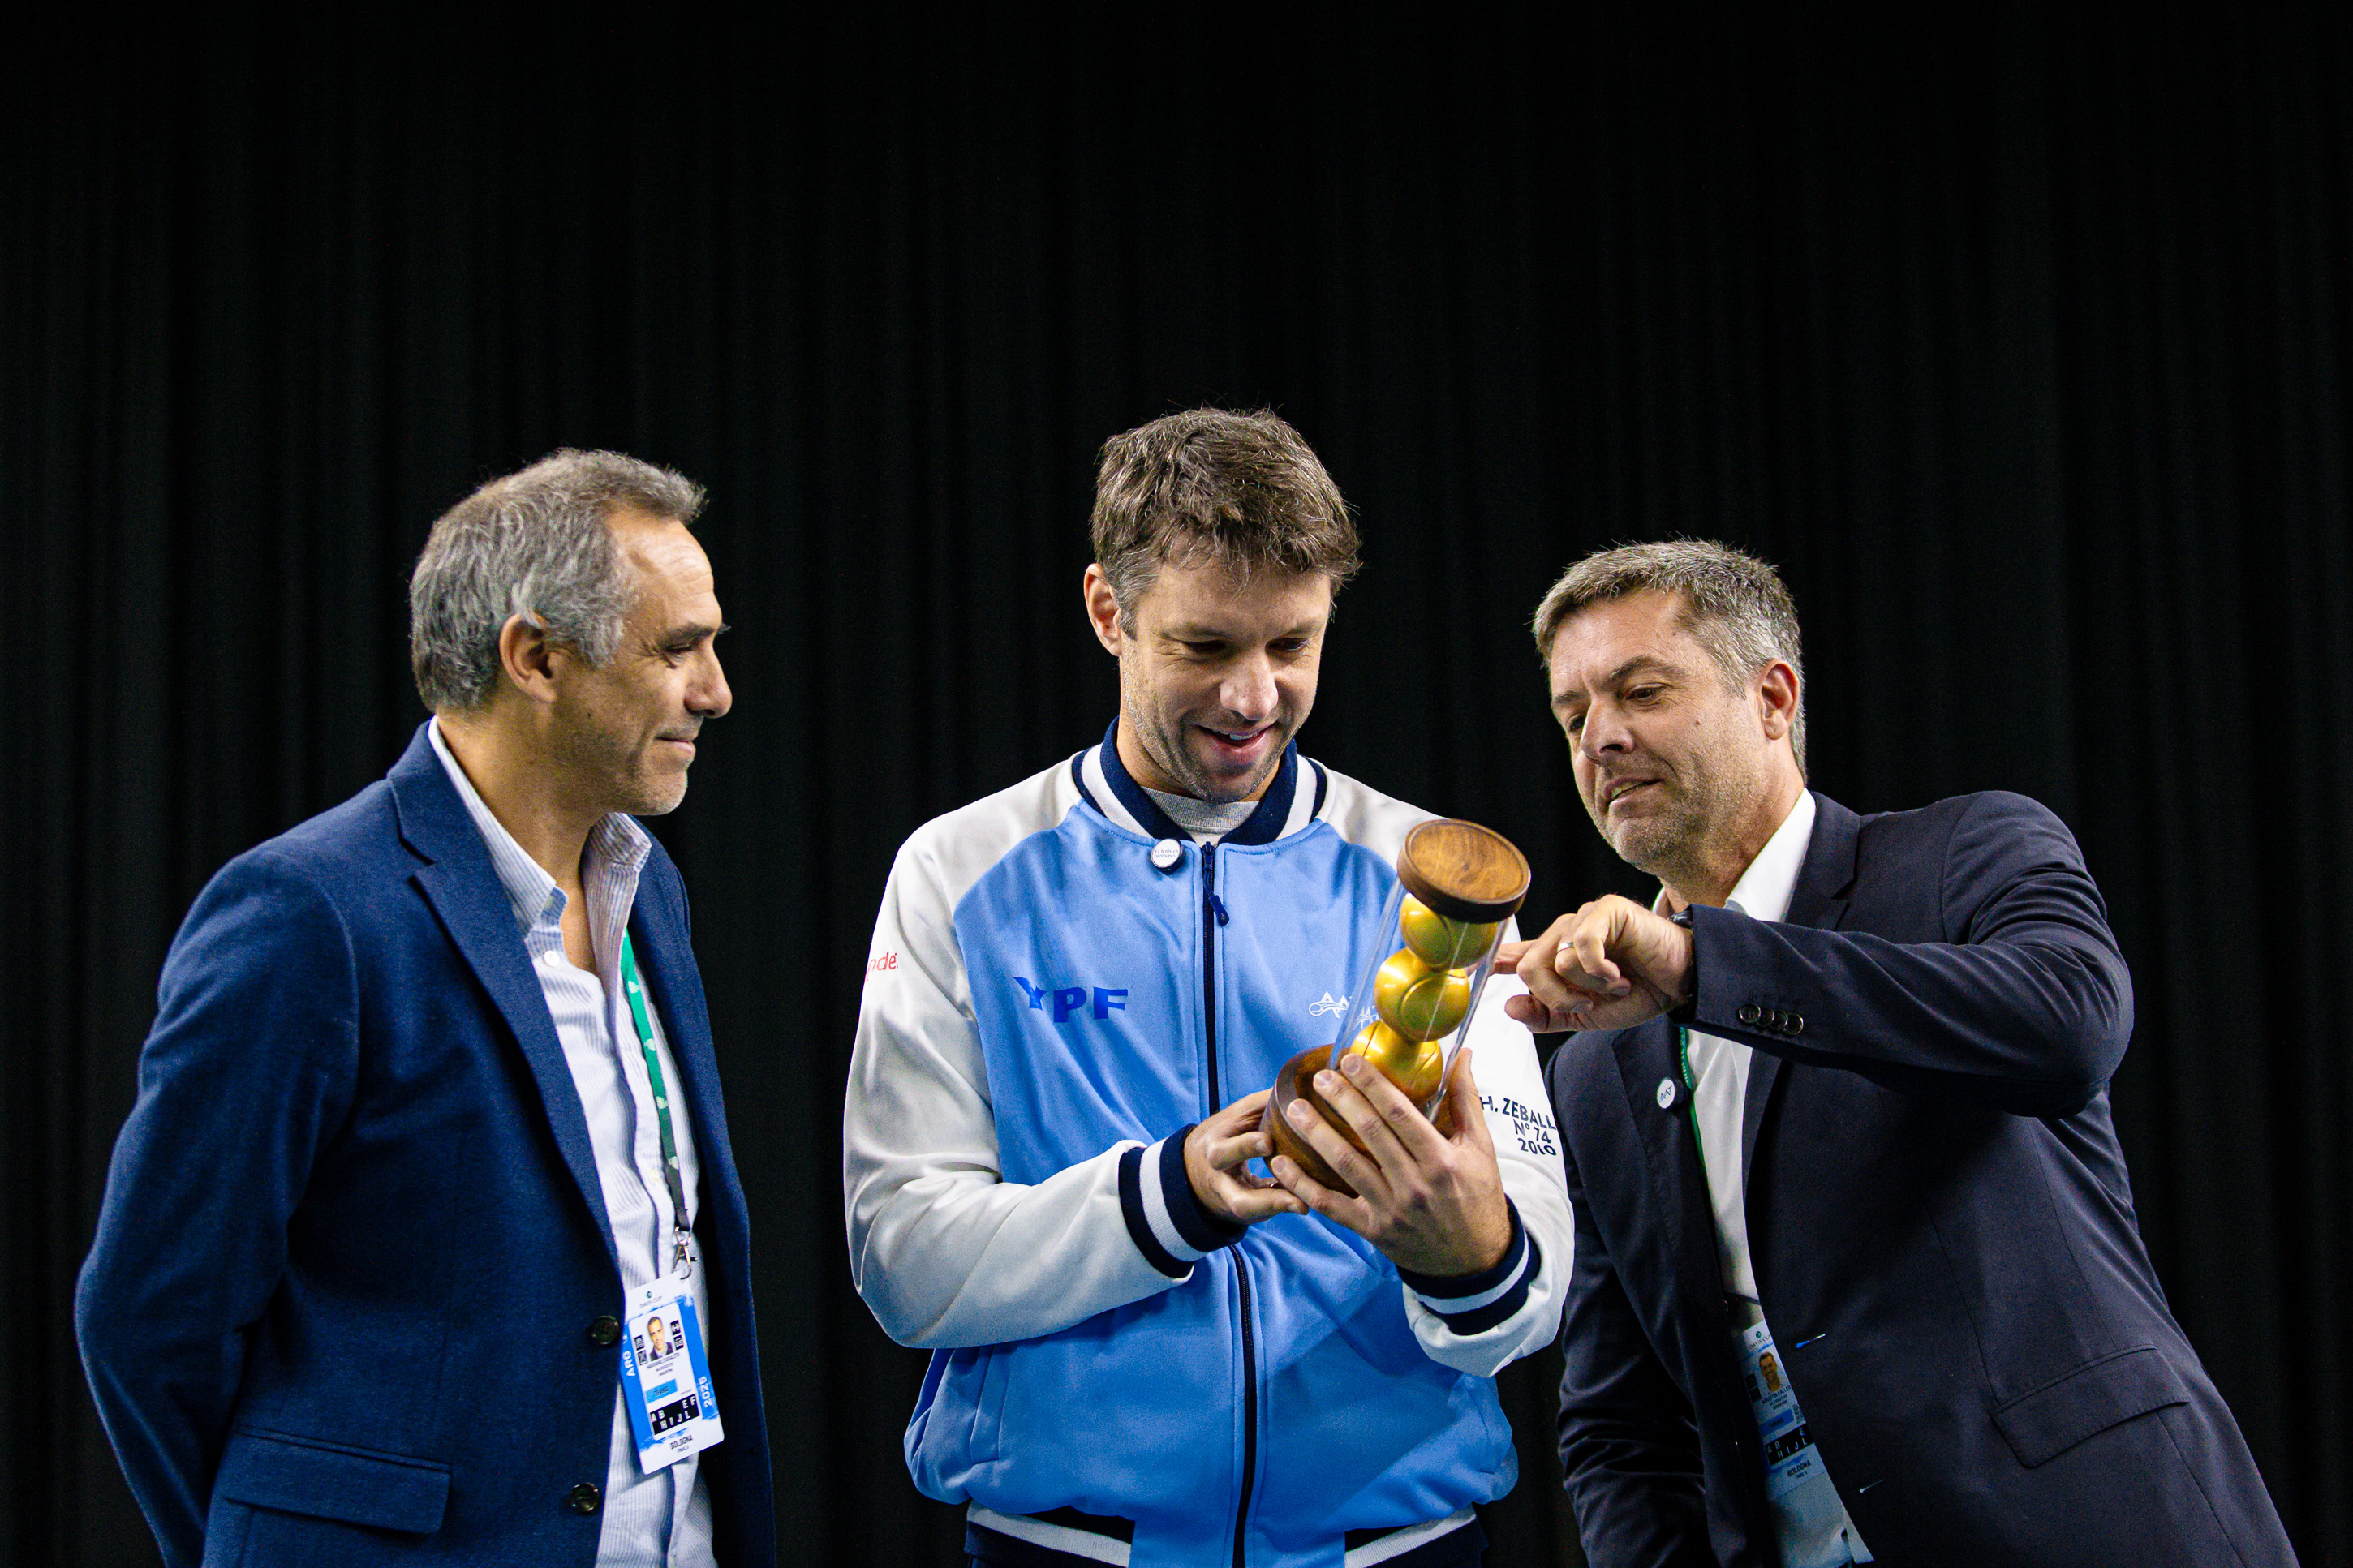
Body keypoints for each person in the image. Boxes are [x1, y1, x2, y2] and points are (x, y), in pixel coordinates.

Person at [844, 409, 1572, 1568]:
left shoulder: (1440, 878)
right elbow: (903, 1260)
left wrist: (1471, 1255)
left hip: (1406, 1547)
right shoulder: (960, 872)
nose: (1253, 697)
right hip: (1067, 1550)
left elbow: (1532, 1291)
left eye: (1292, 644)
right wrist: (1165, 1198)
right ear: (1106, 613)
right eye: (1204, 647)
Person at [1512, 539, 2296, 1566]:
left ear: (1773, 697)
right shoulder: (1591, 1064)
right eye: (1573, 717)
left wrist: (1707, 969)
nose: (1601, 739)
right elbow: (1621, 1430)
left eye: (1640, 691)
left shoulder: (1966, 853)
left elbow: (2069, 1027)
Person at [77, 451, 774, 1567]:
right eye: (677, 648)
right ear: (536, 656)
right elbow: (149, 1321)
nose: (715, 690)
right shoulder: (309, 914)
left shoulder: (652, 892)